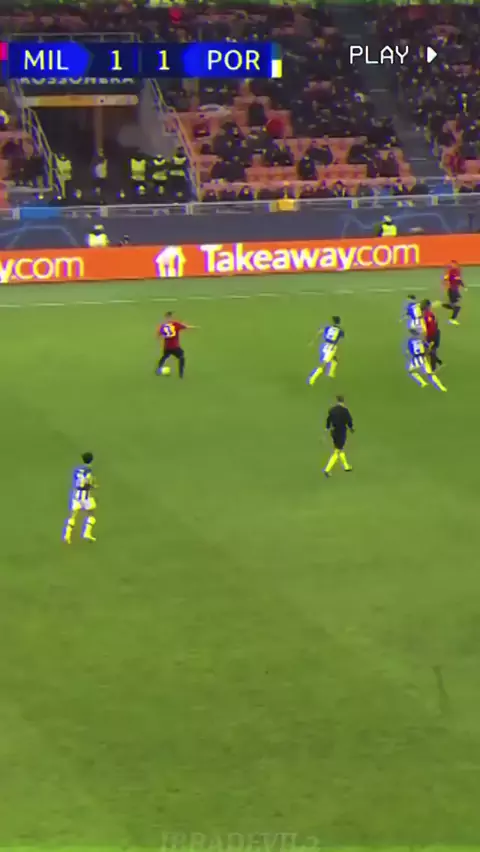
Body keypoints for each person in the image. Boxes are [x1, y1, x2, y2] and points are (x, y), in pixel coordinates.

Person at [63, 452, 97, 544]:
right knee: (91, 515)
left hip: (76, 495)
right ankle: (86, 533)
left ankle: (66, 536)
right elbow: (87, 483)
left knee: (72, 516)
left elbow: (76, 481)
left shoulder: (77, 470)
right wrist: (93, 486)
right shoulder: (89, 471)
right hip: (85, 497)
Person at [156, 311, 198, 379]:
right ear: (171, 317)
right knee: (181, 357)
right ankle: (181, 374)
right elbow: (186, 327)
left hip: (167, 347)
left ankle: (159, 370)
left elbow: (158, 335)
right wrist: (194, 327)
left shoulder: (163, 326)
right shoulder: (175, 324)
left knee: (165, 357)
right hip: (175, 347)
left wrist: (163, 338)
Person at [323, 395, 354, 478]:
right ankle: (327, 470)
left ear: (337, 401)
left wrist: (327, 428)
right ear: (343, 401)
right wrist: (351, 428)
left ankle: (346, 466)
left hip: (334, 432)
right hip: (341, 432)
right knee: (337, 451)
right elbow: (349, 420)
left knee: (340, 449)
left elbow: (328, 420)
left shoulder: (332, 410)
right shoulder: (345, 411)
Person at [308, 316, 344, 386]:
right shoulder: (340, 331)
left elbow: (320, 331)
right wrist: (338, 351)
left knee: (334, 360)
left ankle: (331, 375)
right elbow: (339, 341)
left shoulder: (328, 328)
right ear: (339, 322)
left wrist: (313, 341)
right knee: (323, 365)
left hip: (325, 345)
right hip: (331, 348)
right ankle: (311, 379)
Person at [421, 298, 442, 371]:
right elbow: (436, 322)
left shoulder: (424, 315)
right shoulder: (430, 314)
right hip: (434, 334)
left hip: (430, 335)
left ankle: (432, 366)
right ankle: (434, 366)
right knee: (431, 349)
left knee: (428, 350)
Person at [442, 260, 465, 325]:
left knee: (455, 304)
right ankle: (452, 319)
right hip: (452, 290)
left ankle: (443, 305)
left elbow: (458, 280)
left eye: (454, 264)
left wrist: (463, 286)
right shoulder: (452, 271)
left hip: (453, 290)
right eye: (452, 265)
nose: (453, 266)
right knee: (457, 307)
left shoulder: (456, 271)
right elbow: (446, 279)